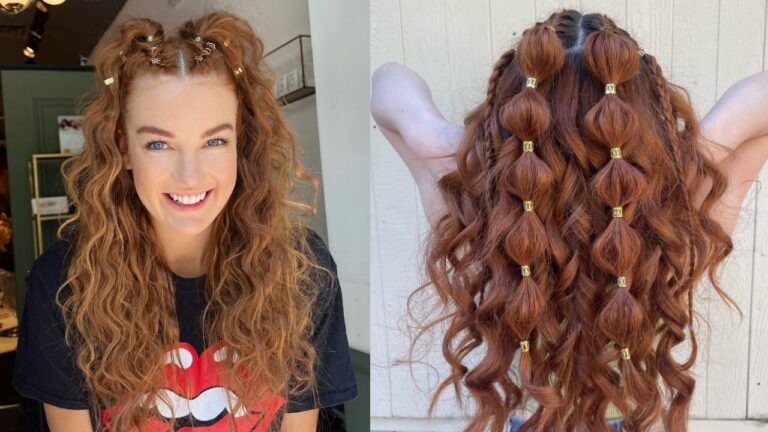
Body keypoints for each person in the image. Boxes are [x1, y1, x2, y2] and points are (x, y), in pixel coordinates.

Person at [371, 9, 768, 432]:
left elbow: (387, 81)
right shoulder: (685, 204)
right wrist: (687, 154)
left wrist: (452, 144)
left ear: (512, 115)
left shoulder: (468, 204)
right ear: (643, 117)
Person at [12, 10, 357, 432]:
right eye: (158, 143)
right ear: (123, 149)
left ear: (240, 144)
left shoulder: (304, 271)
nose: (189, 175)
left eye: (214, 140)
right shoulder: (63, 283)